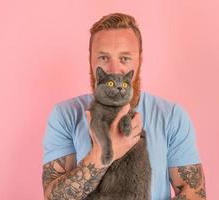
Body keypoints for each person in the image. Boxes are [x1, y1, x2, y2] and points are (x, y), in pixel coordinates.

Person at [42, 13, 206, 200]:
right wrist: (102, 154)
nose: (114, 70)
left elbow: (195, 194)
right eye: (103, 58)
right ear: (91, 61)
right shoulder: (65, 115)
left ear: (140, 61)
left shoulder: (172, 116)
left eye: (125, 58)